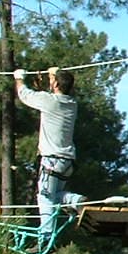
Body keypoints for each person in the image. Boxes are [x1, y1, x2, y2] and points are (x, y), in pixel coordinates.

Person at [14, 67, 78, 229]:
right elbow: (54, 88)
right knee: (54, 196)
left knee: (45, 198)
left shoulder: (49, 101)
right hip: (67, 162)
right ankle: (75, 200)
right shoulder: (72, 104)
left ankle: (45, 236)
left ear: (56, 83)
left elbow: (24, 94)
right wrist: (53, 74)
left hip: (51, 160)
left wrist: (19, 78)